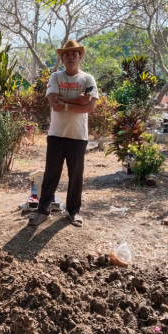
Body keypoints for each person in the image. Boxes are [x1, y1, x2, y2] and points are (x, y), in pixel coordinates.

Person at [28, 39, 98, 228]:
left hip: (78, 135)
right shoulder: (55, 77)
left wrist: (64, 102)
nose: (70, 57)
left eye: (74, 54)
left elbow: (90, 107)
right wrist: (76, 101)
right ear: (62, 58)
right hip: (56, 134)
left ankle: (74, 211)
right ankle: (42, 210)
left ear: (80, 57)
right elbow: (53, 104)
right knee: (51, 174)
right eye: (66, 54)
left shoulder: (88, 79)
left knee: (76, 175)